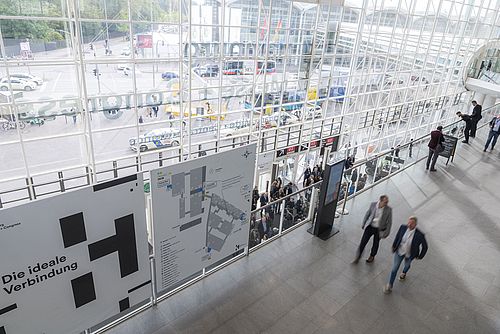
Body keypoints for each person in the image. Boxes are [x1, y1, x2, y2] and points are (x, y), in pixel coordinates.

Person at [384, 216, 428, 294]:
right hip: (399, 252)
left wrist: (420, 256)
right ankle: (390, 285)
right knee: (394, 268)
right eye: (409, 222)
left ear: (415, 224)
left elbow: (425, 246)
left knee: (407, 265)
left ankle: (404, 272)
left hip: (410, 254)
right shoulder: (402, 227)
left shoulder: (420, 235)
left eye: (411, 223)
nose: (409, 225)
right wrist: (394, 246)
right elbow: (397, 236)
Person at [353, 195, 392, 264]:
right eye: (385, 202)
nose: (386, 204)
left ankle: (372, 256)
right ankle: (358, 256)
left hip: (379, 229)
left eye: (387, 202)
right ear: (380, 201)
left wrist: (386, 233)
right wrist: (364, 223)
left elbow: (389, 222)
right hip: (370, 226)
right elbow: (367, 214)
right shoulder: (373, 205)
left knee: (376, 243)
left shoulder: (388, 209)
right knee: (363, 242)